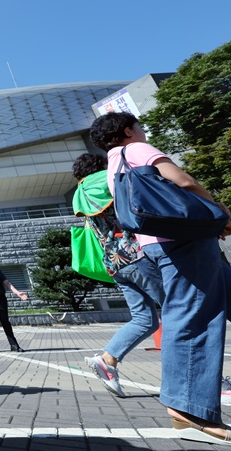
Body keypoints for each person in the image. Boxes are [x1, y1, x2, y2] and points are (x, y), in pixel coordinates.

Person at [90, 112, 231, 445]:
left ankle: (188, 406)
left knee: (202, 308)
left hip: (157, 245)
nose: (142, 131)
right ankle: (188, 410)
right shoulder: (136, 150)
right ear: (127, 130)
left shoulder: (111, 167)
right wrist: (222, 214)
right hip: (183, 243)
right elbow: (184, 182)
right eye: (138, 126)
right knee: (192, 319)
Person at [71, 153, 165, 397]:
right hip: (138, 253)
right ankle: (207, 381)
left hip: (114, 262)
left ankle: (107, 359)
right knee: (181, 312)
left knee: (145, 319)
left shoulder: (80, 194)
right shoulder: (110, 179)